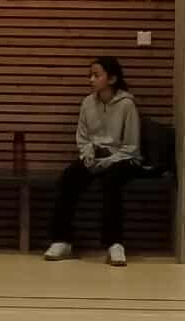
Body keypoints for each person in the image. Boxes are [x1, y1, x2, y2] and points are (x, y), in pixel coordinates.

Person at [44, 56, 142, 267]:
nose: (91, 79)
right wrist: (89, 155)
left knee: (112, 183)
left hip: (121, 158)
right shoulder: (87, 103)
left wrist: (109, 161)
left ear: (112, 79)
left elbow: (131, 146)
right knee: (68, 178)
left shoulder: (127, 105)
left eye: (96, 75)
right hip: (93, 157)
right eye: (90, 75)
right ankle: (62, 240)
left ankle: (114, 244)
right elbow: (82, 138)